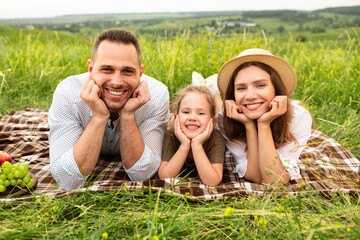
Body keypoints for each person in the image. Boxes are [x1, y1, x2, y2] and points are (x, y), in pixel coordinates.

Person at [48, 29, 170, 190]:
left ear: (140, 73)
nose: (117, 82)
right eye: (107, 69)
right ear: (91, 69)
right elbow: (68, 180)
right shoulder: (68, 93)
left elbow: (144, 174)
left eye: (127, 71)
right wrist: (99, 116)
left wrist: (127, 115)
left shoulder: (156, 95)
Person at [216, 48, 312, 185]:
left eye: (260, 85)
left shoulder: (298, 117)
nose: (250, 96)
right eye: (241, 88)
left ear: (276, 88)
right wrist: (249, 126)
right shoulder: (226, 118)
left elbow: (275, 180)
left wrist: (264, 125)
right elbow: (255, 176)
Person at [158, 85, 225, 187]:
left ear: (213, 121)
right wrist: (184, 145)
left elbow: (212, 181)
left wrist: (197, 144)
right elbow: (165, 177)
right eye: (186, 112)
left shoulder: (215, 138)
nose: (192, 117)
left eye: (201, 113)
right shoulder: (171, 135)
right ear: (176, 118)